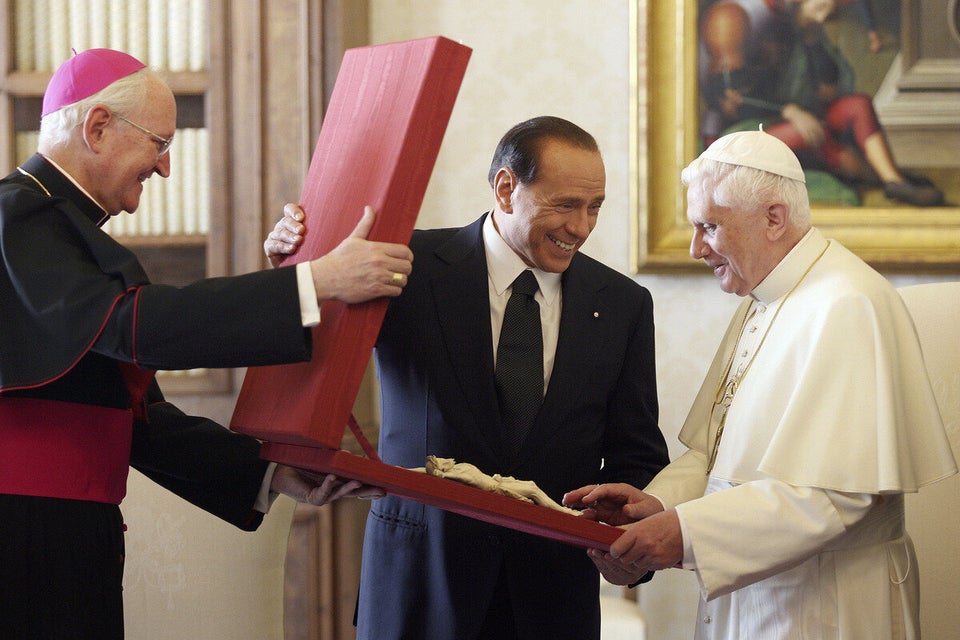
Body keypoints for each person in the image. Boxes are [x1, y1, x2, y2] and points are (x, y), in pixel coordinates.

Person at [0, 48, 413, 640]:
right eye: (159, 143)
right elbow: (132, 327)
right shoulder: (16, 216)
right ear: (97, 127)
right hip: (23, 540)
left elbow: (141, 420)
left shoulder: (65, 233)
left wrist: (269, 475)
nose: (165, 168)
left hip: (65, 537)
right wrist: (313, 281)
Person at [266, 116, 670, 639]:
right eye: (566, 204)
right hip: (418, 584)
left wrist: (634, 551)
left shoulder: (623, 305)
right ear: (506, 188)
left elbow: (636, 455)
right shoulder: (404, 269)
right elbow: (311, 357)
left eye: (595, 207)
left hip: (550, 601)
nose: (583, 228)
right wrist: (293, 268)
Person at [563, 129, 957, 639]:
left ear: (774, 218)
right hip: (751, 598)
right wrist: (656, 506)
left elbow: (838, 496)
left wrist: (684, 532)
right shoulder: (764, 297)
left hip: (827, 607)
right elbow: (720, 455)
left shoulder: (846, 303)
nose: (695, 248)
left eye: (709, 227)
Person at [698, 0, 943, 206]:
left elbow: (828, 91)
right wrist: (789, 110)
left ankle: (893, 181)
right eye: (822, 6)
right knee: (812, 131)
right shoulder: (733, 16)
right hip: (743, 131)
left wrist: (812, 42)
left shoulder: (802, 25)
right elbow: (725, 97)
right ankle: (874, 176)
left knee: (857, 104)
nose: (825, 16)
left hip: (793, 119)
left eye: (831, 12)